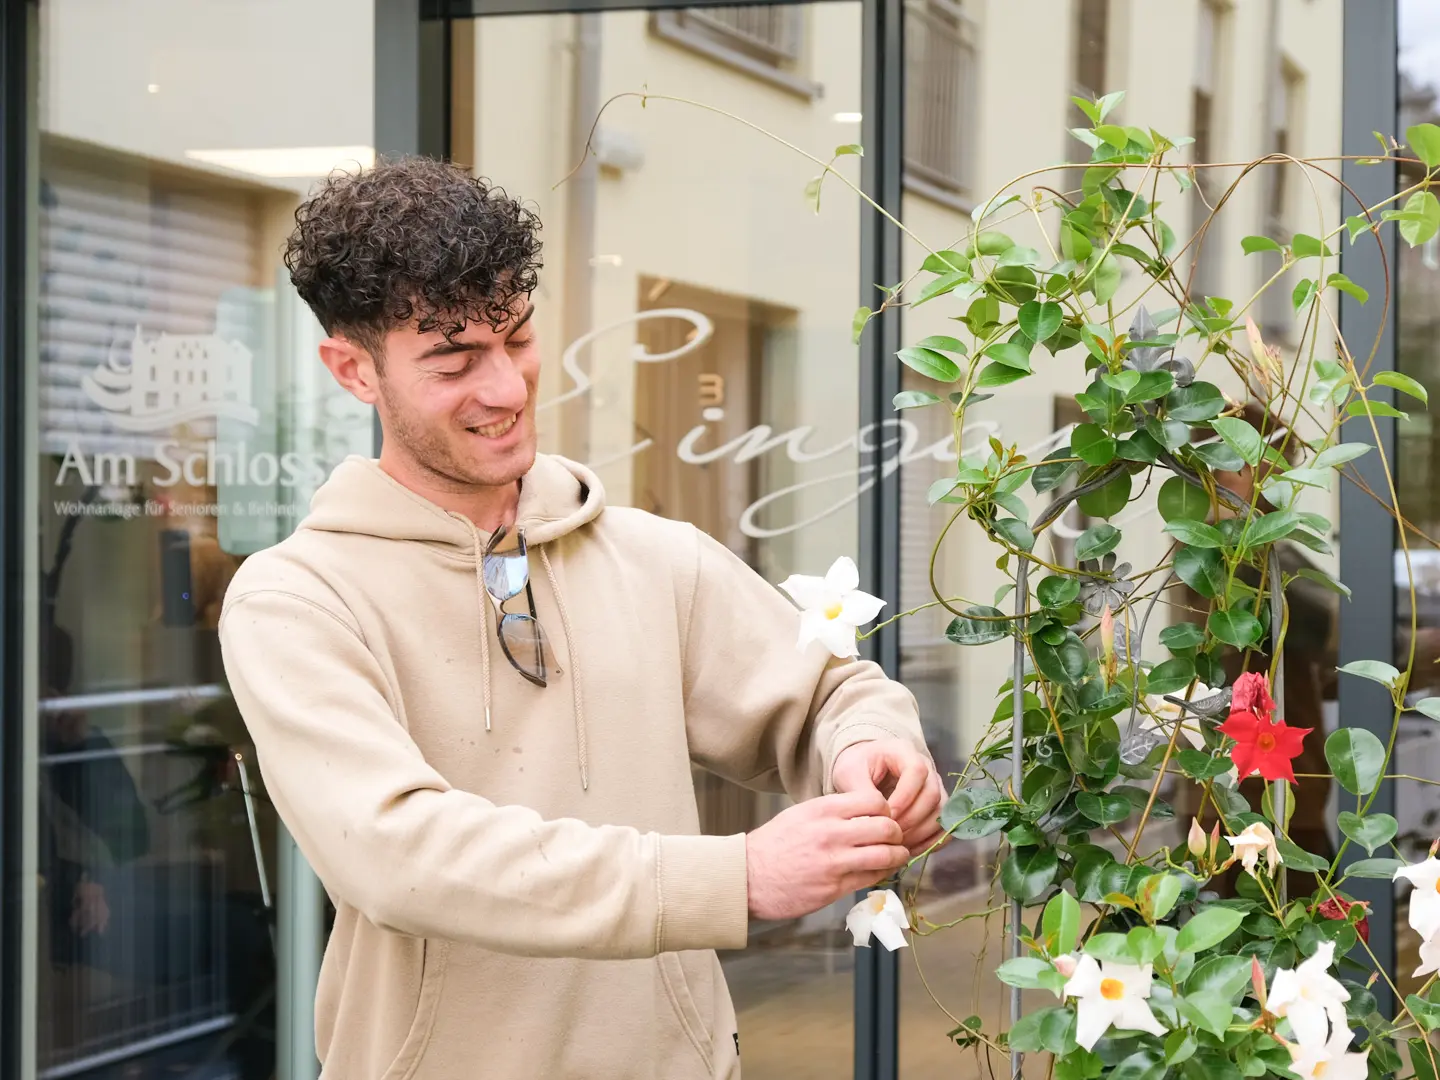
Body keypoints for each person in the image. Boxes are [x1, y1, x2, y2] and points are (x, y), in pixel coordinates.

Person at [217, 156, 943, 1080]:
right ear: (352, 370)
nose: (510, 388)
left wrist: (866, 744)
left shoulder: (651, 555)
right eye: (454, 360)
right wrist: (736, 878)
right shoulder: (297, 600)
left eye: (517, 339)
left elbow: (828, 693)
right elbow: (396, 852)